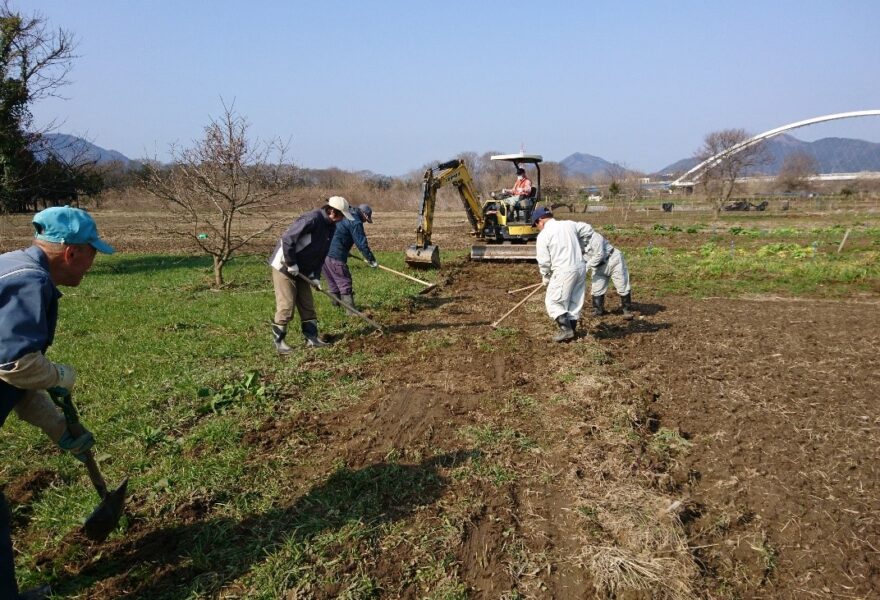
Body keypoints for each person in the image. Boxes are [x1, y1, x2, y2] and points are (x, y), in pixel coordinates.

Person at [0, 205, 115, 600]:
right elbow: (15, 365)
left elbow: (12, 383)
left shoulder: (10, 265)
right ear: (72, 253)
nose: (89, 267)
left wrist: (59, 428)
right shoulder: (30, 281)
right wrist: (60, 375)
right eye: (91, 256)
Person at [269, 196, 353, 352]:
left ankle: (312, 339)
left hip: (303, 269)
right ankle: (279, 343)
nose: (341, 219)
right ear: (332, 212)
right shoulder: (311, 219)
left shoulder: (331, 227)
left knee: (307, 305)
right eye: (341, 216)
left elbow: (321, 254)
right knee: (286, 306)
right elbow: (287, 239)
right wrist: (291, 263)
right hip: (284, 266)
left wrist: (315, 275)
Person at [532, 207, 593, 342]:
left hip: (564, 270)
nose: (537, 228)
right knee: (574, 300)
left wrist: (546, 276)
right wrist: (584, 247)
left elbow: (544, 260)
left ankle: (566, 330)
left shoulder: (544, 234)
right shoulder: (569, 224)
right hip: (580, 267)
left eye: (536, 225)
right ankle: (572, 331)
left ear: (540, 220)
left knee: (553, 301)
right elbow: (588, 229)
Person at [322, 203, 378, 313]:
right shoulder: (355, 221)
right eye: (365, 220)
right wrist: (371, 260)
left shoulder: (342, 214)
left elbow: (337, 234)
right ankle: (351, 313)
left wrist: (344, 251)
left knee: (333, 283)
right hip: (336, 257)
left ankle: (336, 311)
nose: (364, 222)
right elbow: (361, 244)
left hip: (323, 255)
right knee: (344, 283)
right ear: (364, 215)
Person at [582, 225, 633, 319]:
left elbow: (599, 255)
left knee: (622, 285)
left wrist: (585, 267)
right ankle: (598, 310)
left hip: (613, 260)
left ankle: (627, 310)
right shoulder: (576, 243)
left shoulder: (595, 237)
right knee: (596, 289)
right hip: (598, 266)